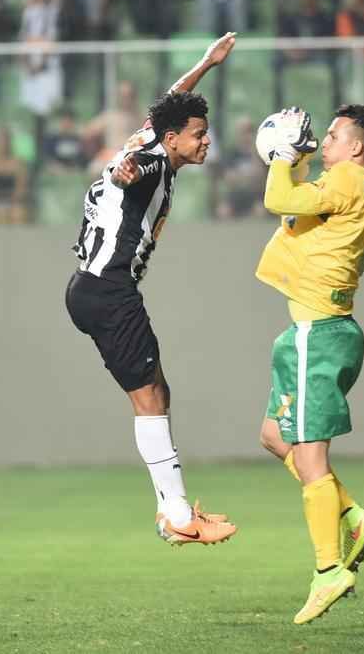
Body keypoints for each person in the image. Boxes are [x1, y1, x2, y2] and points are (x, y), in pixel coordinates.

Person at [64, 32, 238, 547]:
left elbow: (168, 103)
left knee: (157, 394)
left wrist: (206, 63)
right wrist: (123, 175)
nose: (206, 140)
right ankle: (178, 515)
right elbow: (129, 174)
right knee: (150, 400)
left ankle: (174, 508)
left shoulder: (150, 137)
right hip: (110, 291)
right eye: (199, 134)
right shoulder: (151, 162)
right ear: (175, 139)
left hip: (92, 289)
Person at [253, 104, 364, 625]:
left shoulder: (350, 178)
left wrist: (282, 157)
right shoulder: (348, 184)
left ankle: (329, 568)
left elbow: (277, 199)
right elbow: (296, 208)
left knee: (310, 460)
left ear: (356, 146)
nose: (323, 141)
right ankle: (351, 512)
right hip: (312, 333)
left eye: (332, 135)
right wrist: (296, 157)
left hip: (320, 333)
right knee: (272, 435)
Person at [273, 0, 341, 110]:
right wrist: (294, 53)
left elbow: (330, 44)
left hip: (319, 58)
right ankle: (278, 109)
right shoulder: (290, 18)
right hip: (293, 58)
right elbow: (283, 40)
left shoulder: (326, 18)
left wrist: (309, 52)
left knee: (335, 63)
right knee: (276, 61)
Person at [19, 0, 63, 120]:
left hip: (48, 66)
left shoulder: (54, 10)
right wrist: (25, 62)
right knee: (31, 108)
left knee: (49, 108)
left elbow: (52, 37)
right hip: (30, 66)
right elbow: (23, 37)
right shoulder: (28, 11)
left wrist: (41, 63)